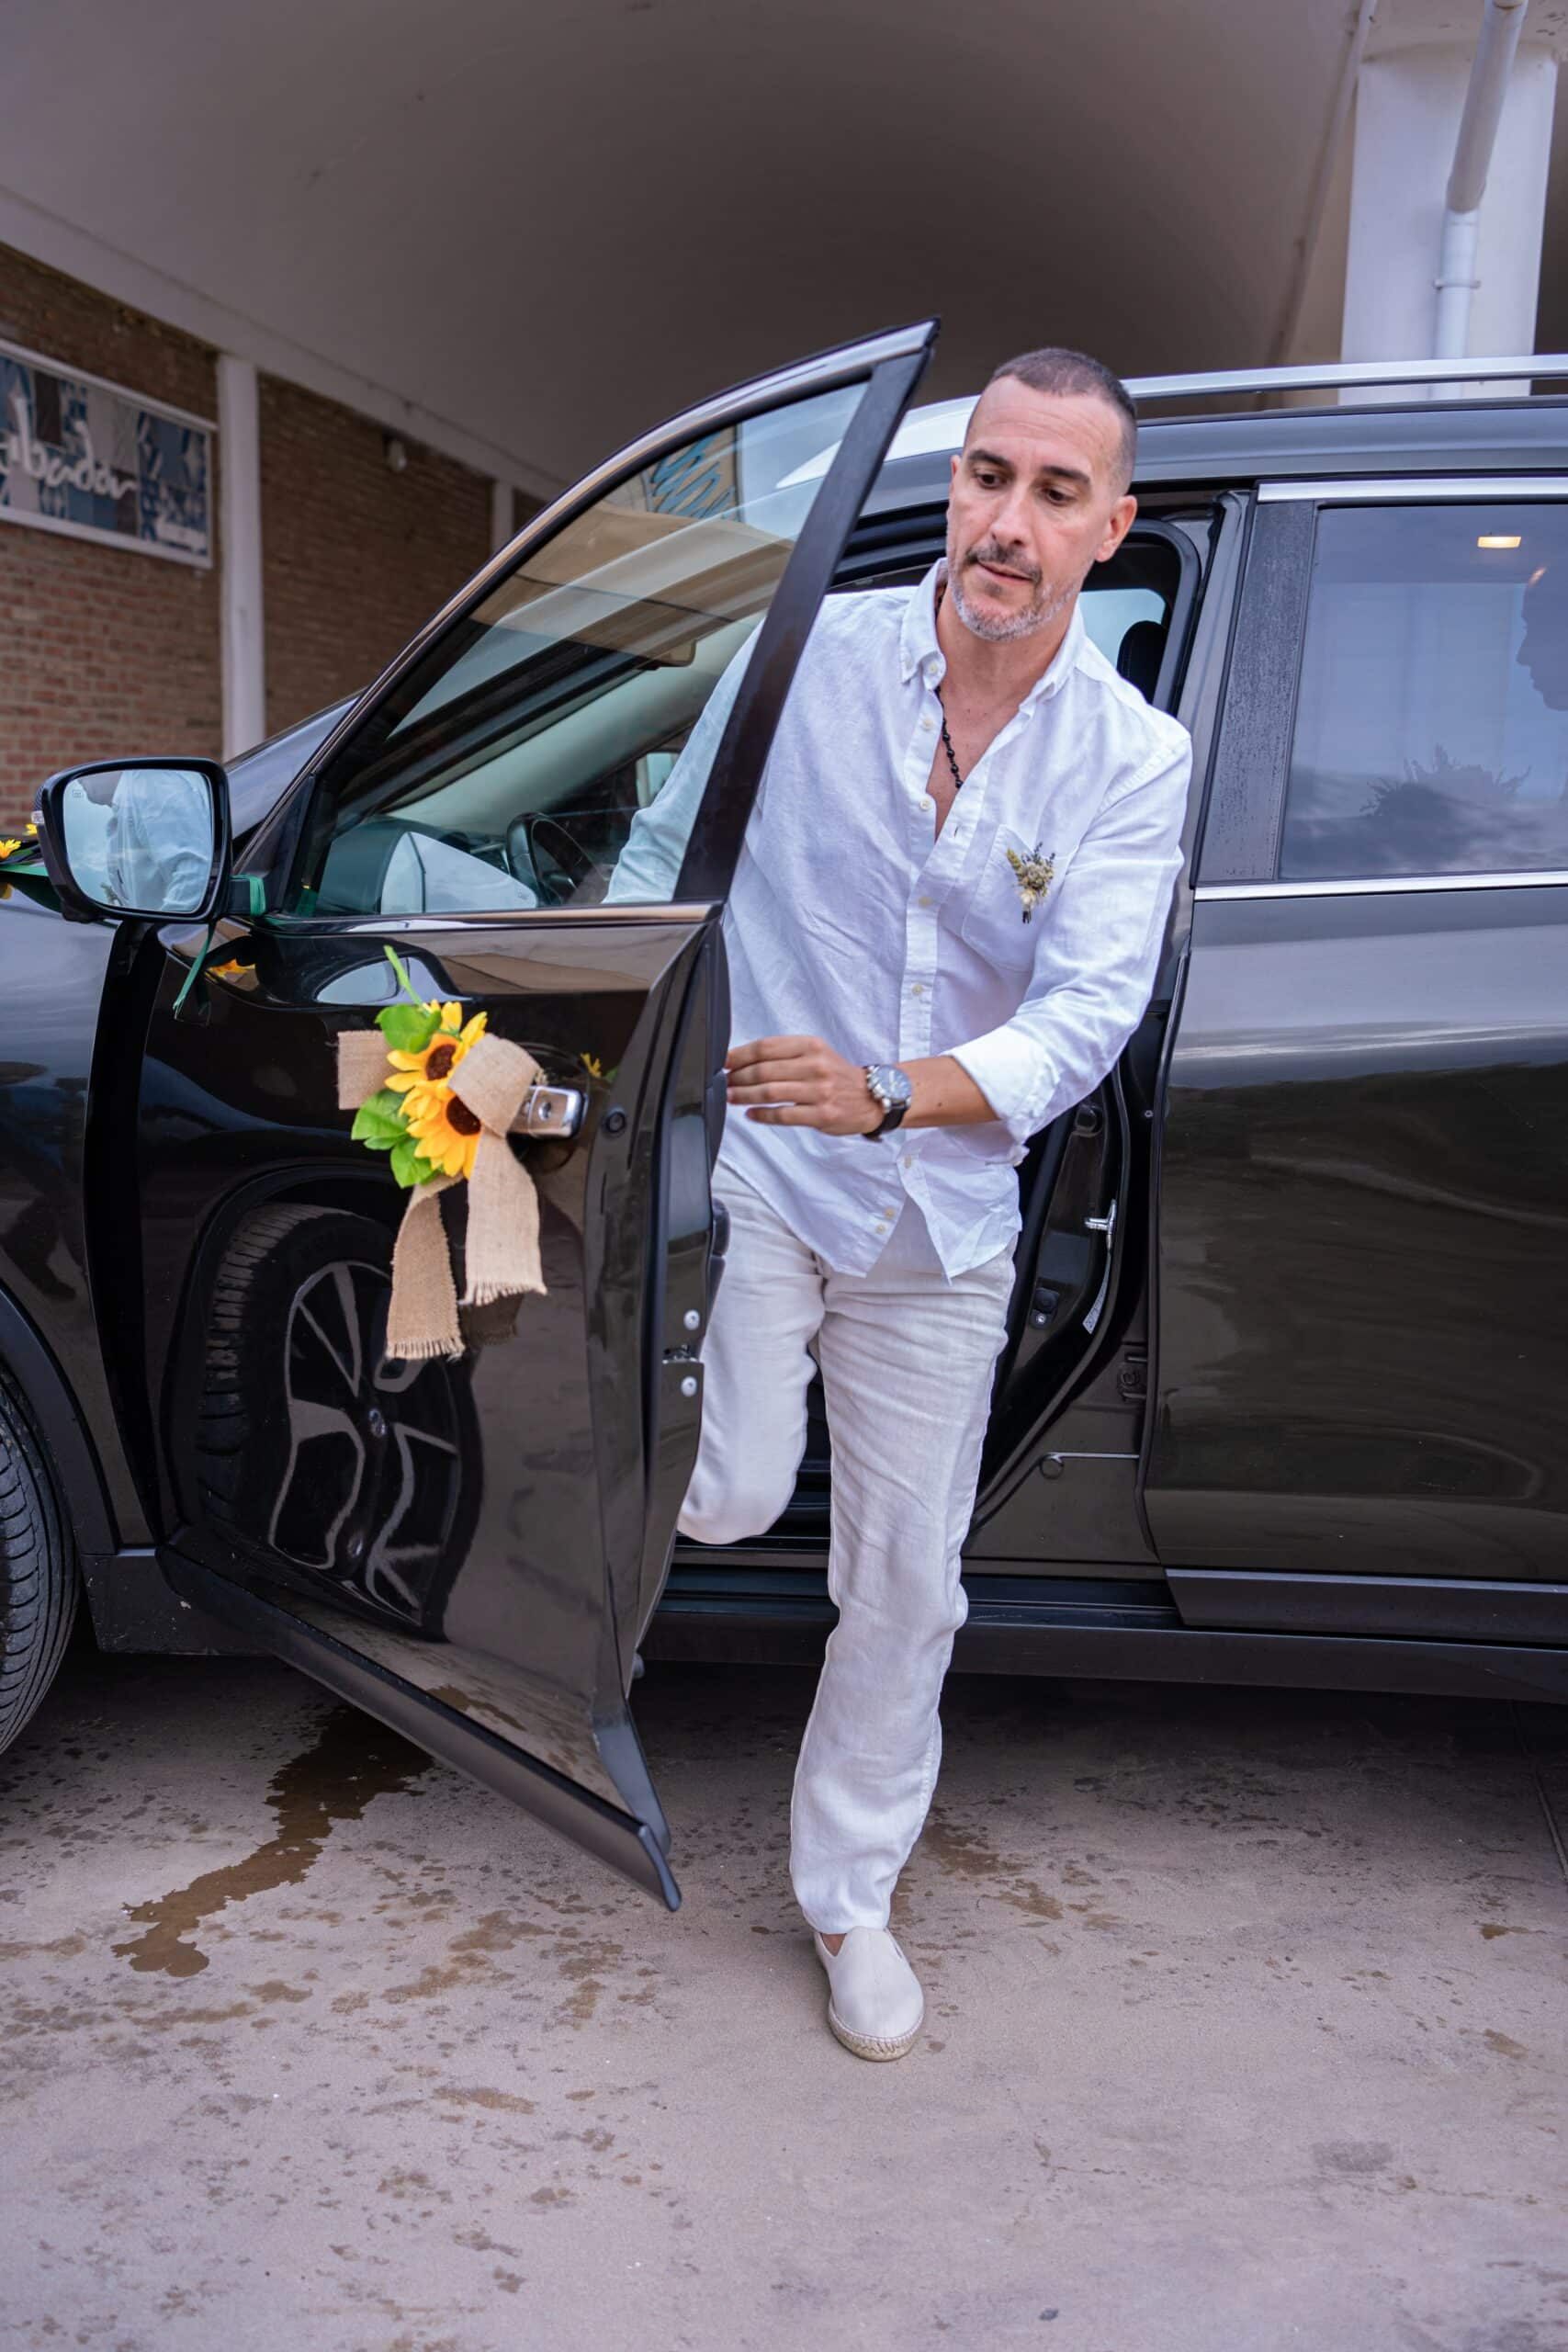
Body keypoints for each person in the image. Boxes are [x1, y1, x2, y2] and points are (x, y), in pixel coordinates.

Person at [613, 348, 1192, 2060]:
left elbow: (1085, 1019)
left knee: (907, 1583)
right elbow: (664, 862)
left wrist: (887, 1091)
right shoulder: (812, 653)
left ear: (1111, 530)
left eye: (1056, 493)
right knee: (729, 1498)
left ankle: (847, 1901)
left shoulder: (1131, 758)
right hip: (757, 1165)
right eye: (989, 476)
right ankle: (552, 1528)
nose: (1009, 522)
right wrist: (602, 1058)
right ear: (956, 484)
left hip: (941, 1216)